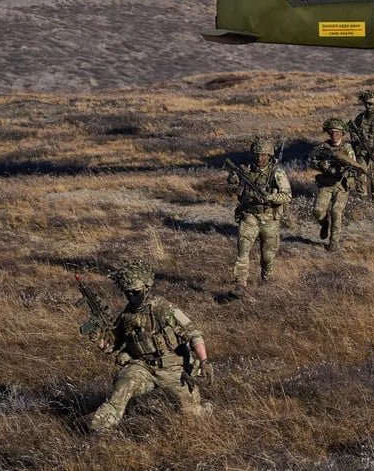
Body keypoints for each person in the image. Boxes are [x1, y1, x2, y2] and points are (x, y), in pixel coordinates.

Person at [87, 261, 211, 434]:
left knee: (192, 418)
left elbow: (194, 335)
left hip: (172, 369)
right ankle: (97, 429)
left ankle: (204, 409)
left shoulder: (165, 310)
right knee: (122, 387)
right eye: (127, 293)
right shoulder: (127, 315)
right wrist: (101, 340)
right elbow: (112, 344)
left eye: (135, 292)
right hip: (142, 366)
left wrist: (204, 361)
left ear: (146, 288)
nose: (131, 297)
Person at [226, 137, 292, 297]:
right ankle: (240, 284)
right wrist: (234, 183)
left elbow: (287, 196)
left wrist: (269, 197)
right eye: (257, 155)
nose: (260, 158)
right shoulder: (245, 171)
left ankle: (266, 280)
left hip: (270, 218)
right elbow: (232, 191)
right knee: (243, 250)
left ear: (269, 155)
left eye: (263, 155)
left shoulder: (277, 173)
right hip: (250, 216)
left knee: (267, 257)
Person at [311, 117, 361, 252]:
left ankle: (333, 242)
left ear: (342, 133)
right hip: (326, 184)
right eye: (332, 132)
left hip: (341, 185)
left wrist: (341, 170)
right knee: (317, 211)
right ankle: (324, 223)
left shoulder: (347, 149)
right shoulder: (322, 148)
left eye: (337, 132)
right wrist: (322, 165)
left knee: (336, 212)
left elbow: (353, 166)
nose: (334, 135)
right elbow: (311, 160)